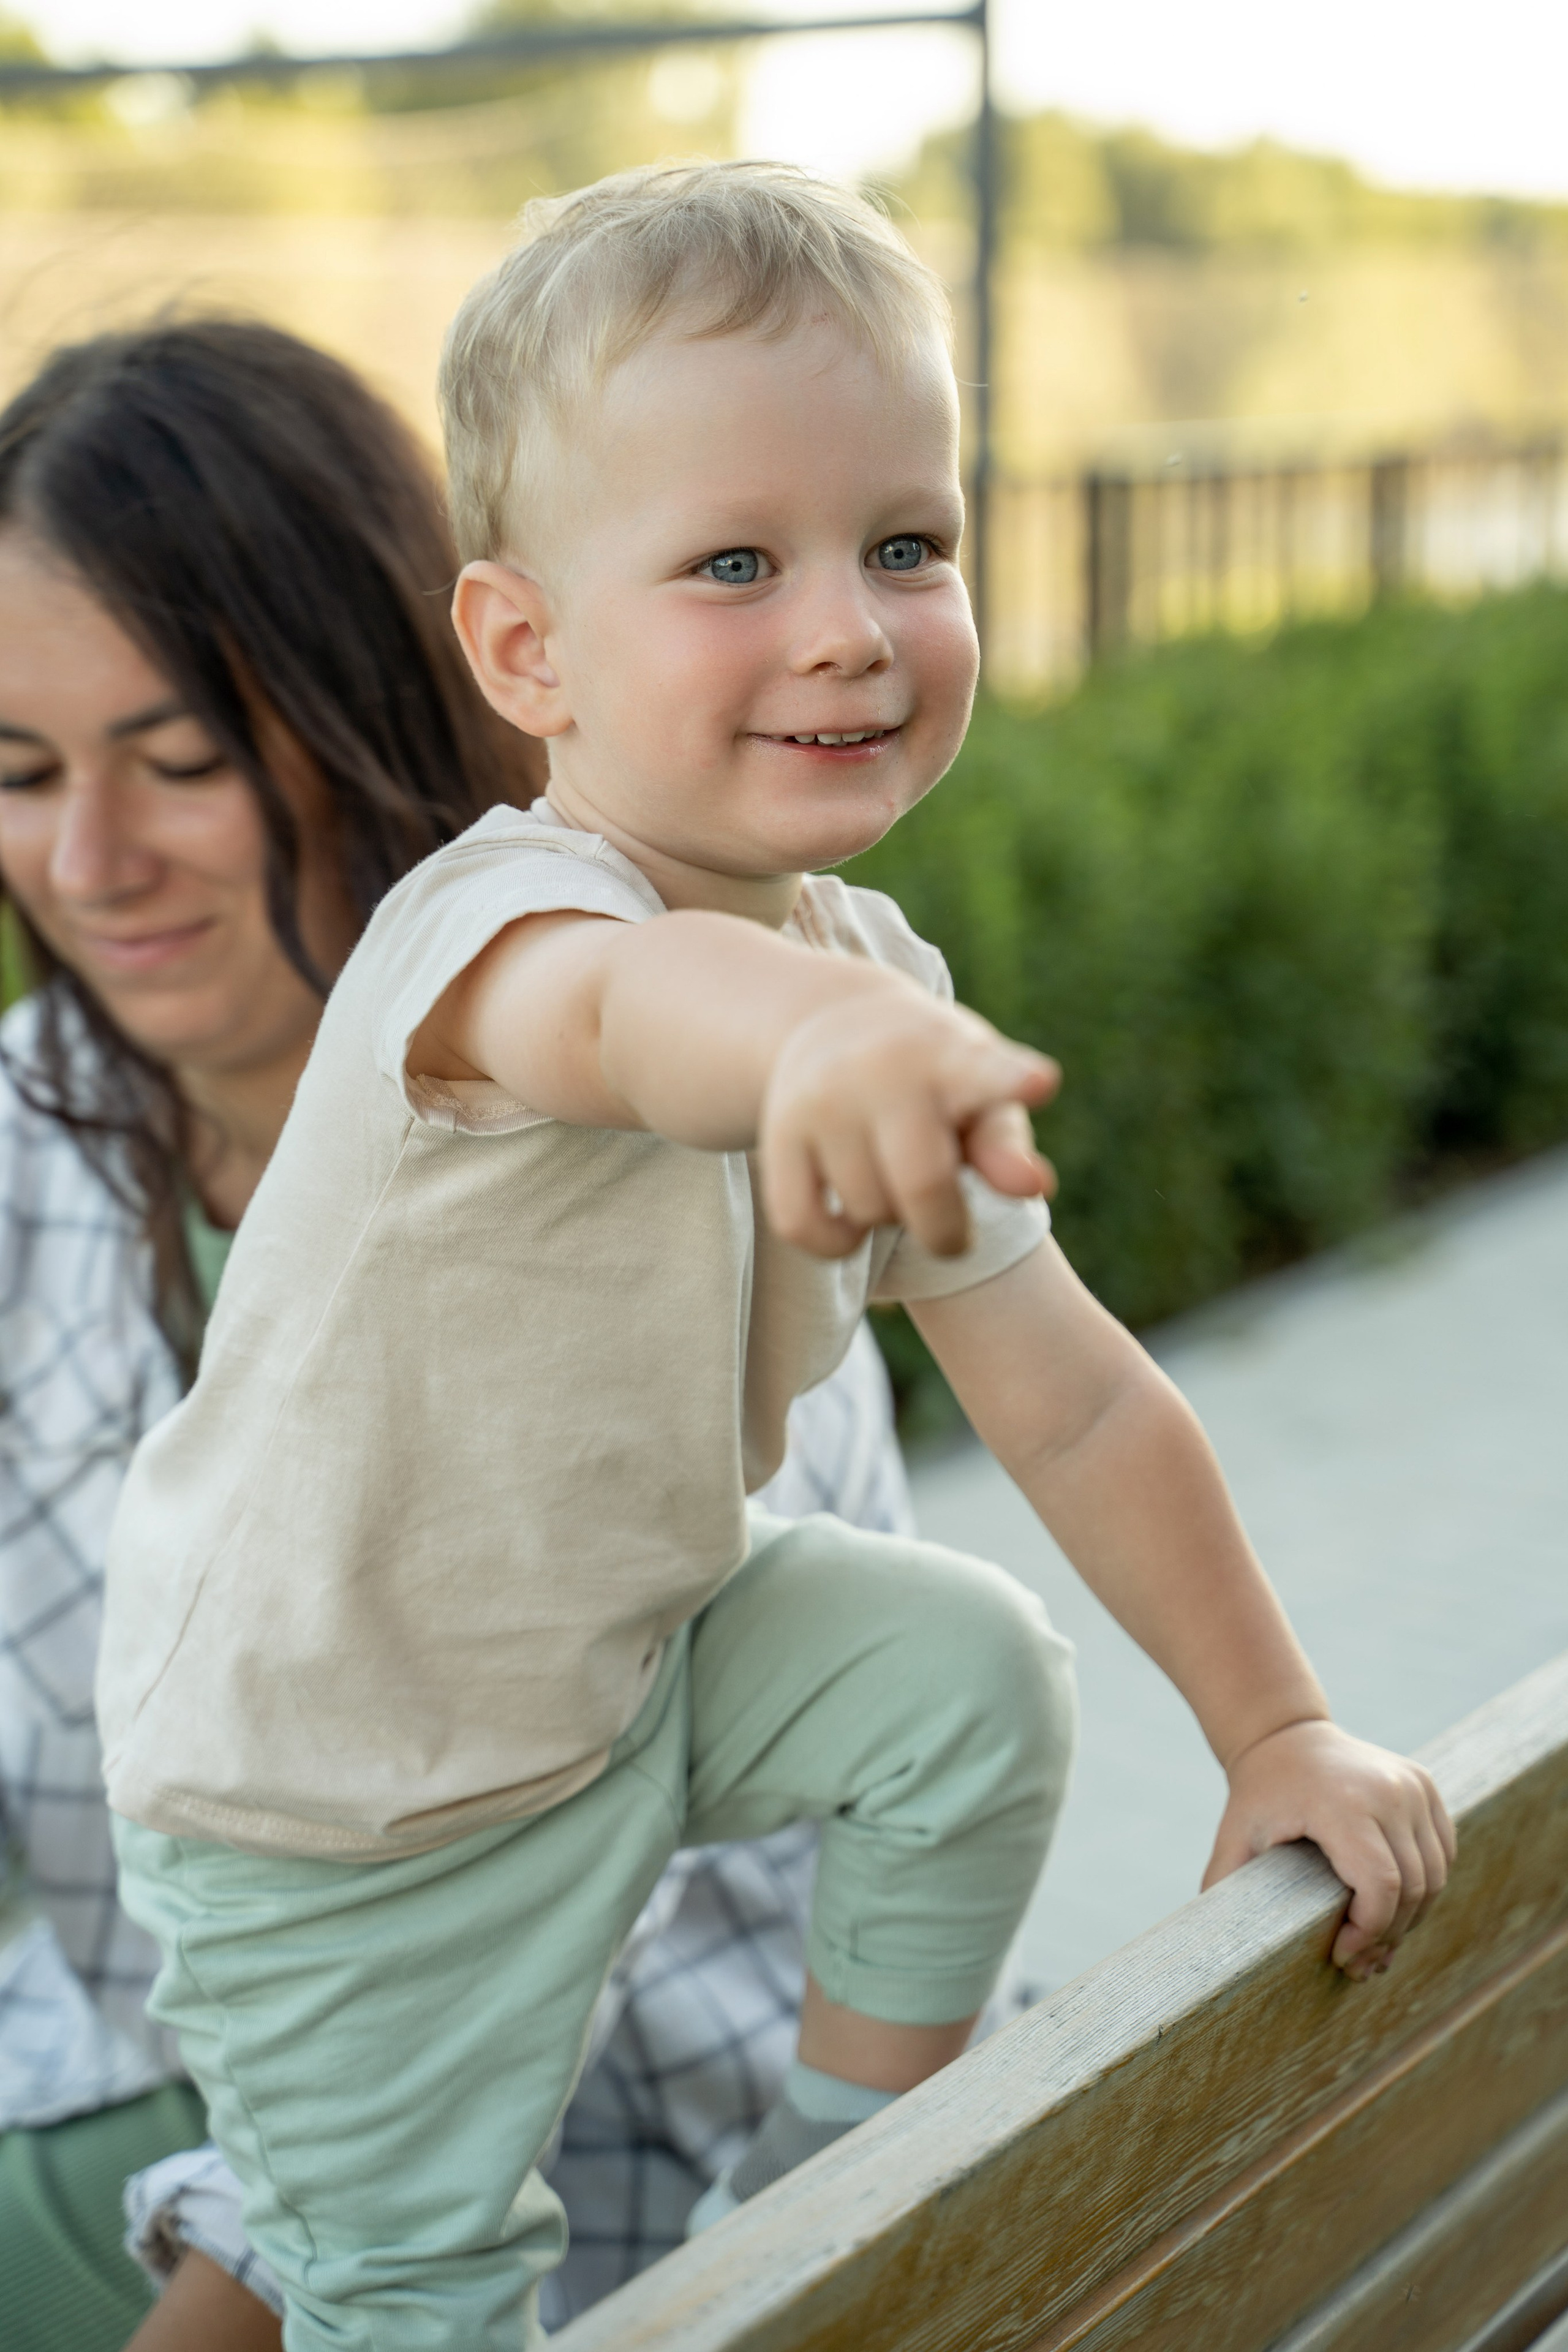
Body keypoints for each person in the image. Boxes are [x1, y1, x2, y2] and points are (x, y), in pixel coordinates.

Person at [100, 163, 1455, 2352]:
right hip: (341, 1792)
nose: (847, 622)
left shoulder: (865, 976)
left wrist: (1276, 1723)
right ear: (526, 648)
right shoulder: (498, 933)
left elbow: (1077, 1390)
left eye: (907, 545)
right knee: (408, 2293)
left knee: (967, 1686)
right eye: (736, 562)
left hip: (621, 1662)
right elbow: (637, 1022)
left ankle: (831, 2216)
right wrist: (825, 1046)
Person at [0, 315, 914, 2350]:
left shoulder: (642, 1055)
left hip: (564, 2173)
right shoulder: (27, 1129)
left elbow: (536, 1907)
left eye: (175, 761)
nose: (89, 863)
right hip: (140, 2075)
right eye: (20, 773)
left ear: (372, 700)